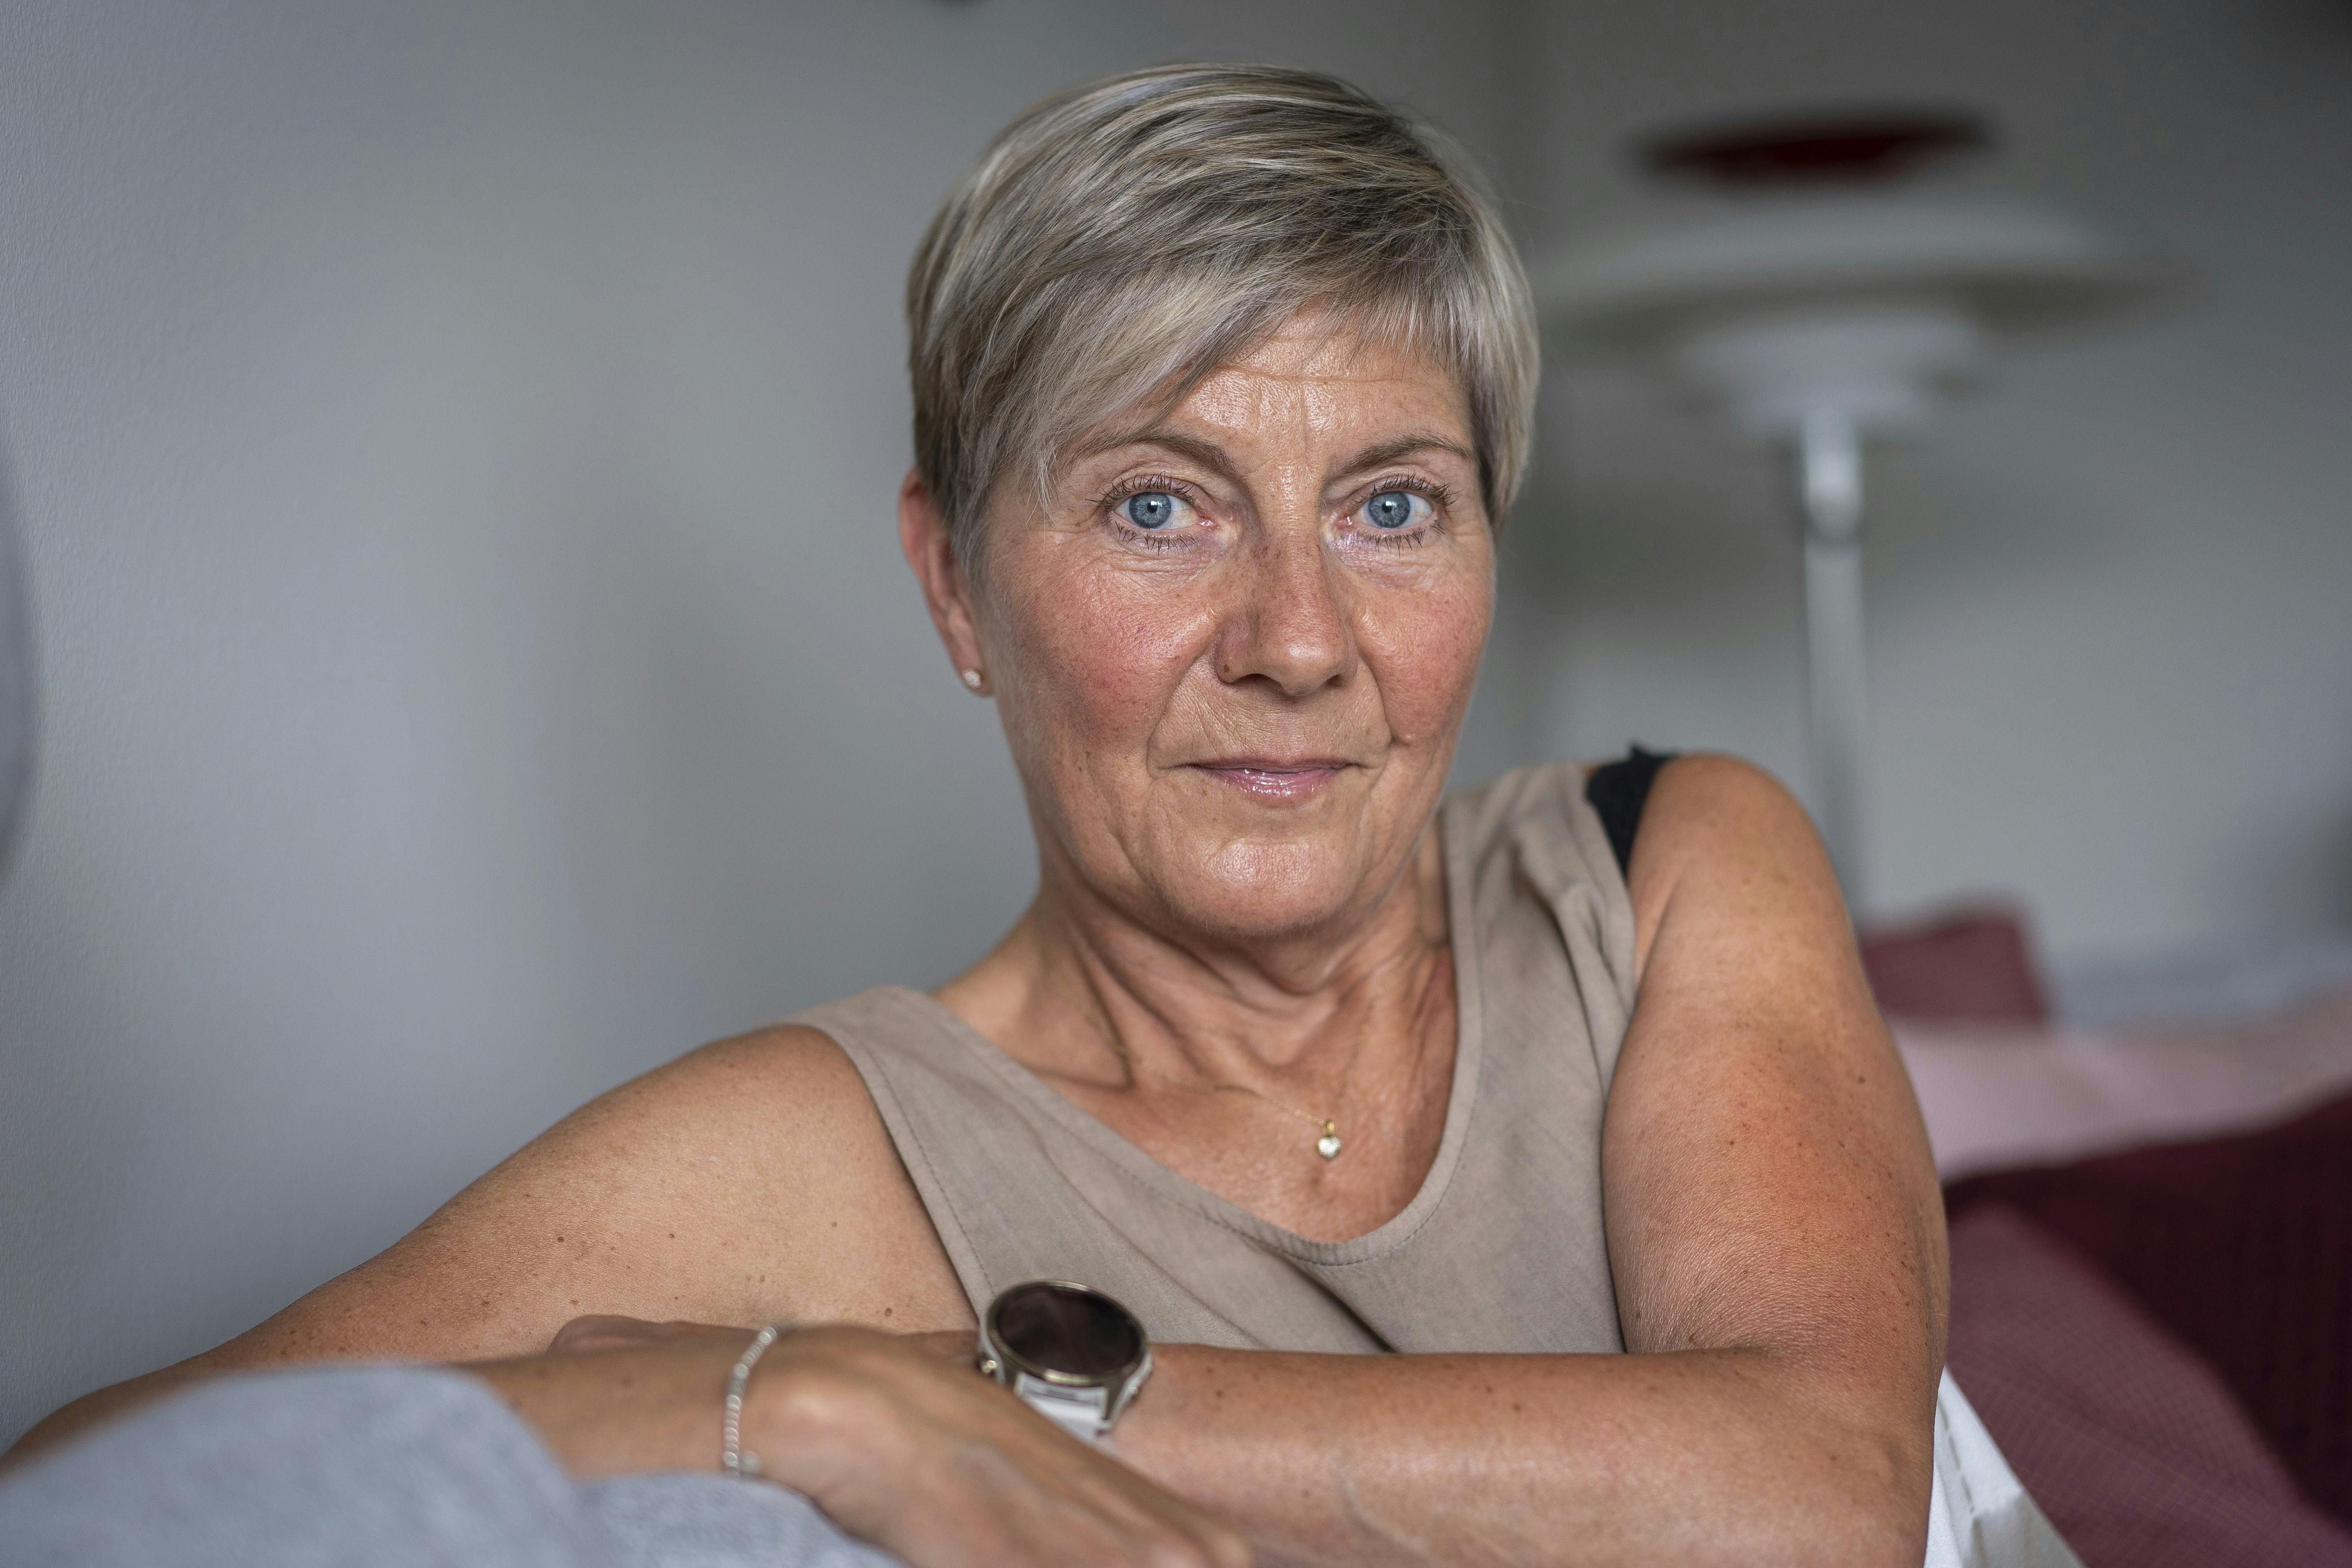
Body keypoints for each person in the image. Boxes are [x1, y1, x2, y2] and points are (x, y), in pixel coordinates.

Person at [6, 64, 2070, 1568]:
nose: (1295, 638)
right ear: (953, 585)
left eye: (1392, 506)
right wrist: (789, 1400)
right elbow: (81, 1491)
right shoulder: (827, 1149)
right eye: (1160, 504)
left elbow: (1817, 1497)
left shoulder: (1660, 862)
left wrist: (1000, 1395)